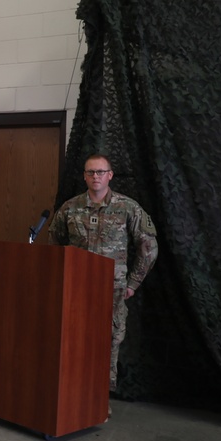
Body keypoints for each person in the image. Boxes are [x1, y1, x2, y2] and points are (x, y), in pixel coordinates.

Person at [49, 153, 158, 393]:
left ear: (110, 175)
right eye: (90, 172)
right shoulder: (70, 207)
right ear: (84, 176)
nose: (95, 176)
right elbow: (54, 242)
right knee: (72, 338)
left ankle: (99, 399)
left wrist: (133, 282)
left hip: (113, 289)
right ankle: (71, 396)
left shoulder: (127, 207)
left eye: (100, 172)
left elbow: (148, 247)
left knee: (107, 342)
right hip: (75, 288)